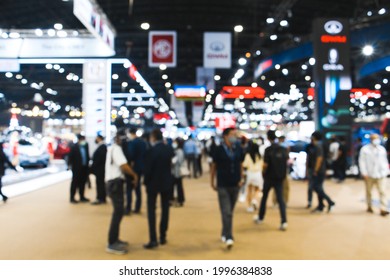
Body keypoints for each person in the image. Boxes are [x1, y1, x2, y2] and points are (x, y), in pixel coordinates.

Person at [211, 127, 244, 249]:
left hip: (235, 184)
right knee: (227, 211)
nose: (234, 136)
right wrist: (212, 181)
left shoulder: (238, 149)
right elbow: (214, 166)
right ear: (225, 136)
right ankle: (229, 236)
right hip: (222, 185)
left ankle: (224, 232)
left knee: (230, 211)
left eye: (235, 134)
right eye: (232, 134)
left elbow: (240, 164)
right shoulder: (218, 150)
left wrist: (241, 178)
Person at [105, 133, 138, 255]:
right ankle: (112, 243)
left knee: (118, 212)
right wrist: (134, 174)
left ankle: (115, 239)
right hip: (115, 184)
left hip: (114, 183)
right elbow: (123, 166)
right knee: (118, 212)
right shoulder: (117, 149)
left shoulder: (112, 148)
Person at [143, 128, 174, 249]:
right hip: (166, 183)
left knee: (151, 211)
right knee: (165, 209)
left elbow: (148, 170)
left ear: (154, 137)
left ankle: (153, 239)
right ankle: (163, 236)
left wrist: (145, 182)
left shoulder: (151, 151)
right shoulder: (169, 149)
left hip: (152, 184)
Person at [254, 130, 288, 231]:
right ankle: (284, 221)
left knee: (264, 198)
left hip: (269, 177)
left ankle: (260, 217)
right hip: (280, 177)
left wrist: (263, 173)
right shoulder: (283, 149)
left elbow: (265, 165)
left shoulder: (268, 149)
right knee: (280, 199)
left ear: (268, 138)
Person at [359, 133, 389, 216]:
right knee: (369, 192)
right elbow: (362, 161)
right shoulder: (365, 149)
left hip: (381, 174)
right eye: (374, 138)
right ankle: (369, 206)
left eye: (377, 138)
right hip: (369, 174)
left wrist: (386, 171)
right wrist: (364, 172)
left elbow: (385, 161)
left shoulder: (382, 149)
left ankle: (383, 209)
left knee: (382, 191)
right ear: (371, 140)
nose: (376, 140)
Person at [306, 131, 335, 213]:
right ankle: (320, 206)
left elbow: (319, 158)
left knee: (316, 187)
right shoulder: (321, 145)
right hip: (320, 169)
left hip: (319, 170)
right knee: (319, 188)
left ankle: (330, 202)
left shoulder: (318, 146)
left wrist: (315, 170)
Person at [124, 128, 147, 214]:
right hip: (141, 167)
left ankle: (128, 208)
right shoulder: (143, 142)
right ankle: (137, 207)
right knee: (138, 188)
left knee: (129, 188)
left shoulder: (132, 143)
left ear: (130, 133)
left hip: (133, 169)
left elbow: (131, 155)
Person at [67, 134, 90, 203]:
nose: (83, 141)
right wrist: (69, 166)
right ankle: (72, 198)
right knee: (75, 183)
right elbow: (70, 157)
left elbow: (87, 156)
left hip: (84, 167)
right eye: (82, 139)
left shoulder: (85, 146)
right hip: (76, 168)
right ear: (79, 139)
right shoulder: (74, 147)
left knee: (82, 183)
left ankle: (82, 197)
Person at [242, 141, 262, 212]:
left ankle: (249, 205)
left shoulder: (248, 155)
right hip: (257, 174)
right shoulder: (259, 156)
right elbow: (262, 166)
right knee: (257, 190)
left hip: (250, 174)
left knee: (249, 190)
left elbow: (244, 165)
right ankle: (254, 200)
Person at [272, 135, 290, 206]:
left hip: (279, 171)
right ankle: (280, 201)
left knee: (281, 187)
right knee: (282, 187)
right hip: (281, 171)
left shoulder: (281, 148)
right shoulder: (284, 148)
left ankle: (279, 201)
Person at [90, 135, 107, 205]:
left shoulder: (102, 147)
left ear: (99, 139)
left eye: (96, 138)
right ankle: (101, 197)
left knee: (100, 183)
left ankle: (100, 198)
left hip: (100, 169)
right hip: (100, 169)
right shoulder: (101, 146)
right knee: (100, 183)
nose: (95, 139)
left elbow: (100, 159)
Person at [170, 138, 186, 207]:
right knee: (176, 186)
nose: (174, 143)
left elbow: (178, 161)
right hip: (175, 172)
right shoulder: (177, 150)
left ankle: (180, 200)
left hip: (177, 172)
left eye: (175, 142)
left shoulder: (179, 151)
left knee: (178, 186)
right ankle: (176, 199)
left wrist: (173, 161)